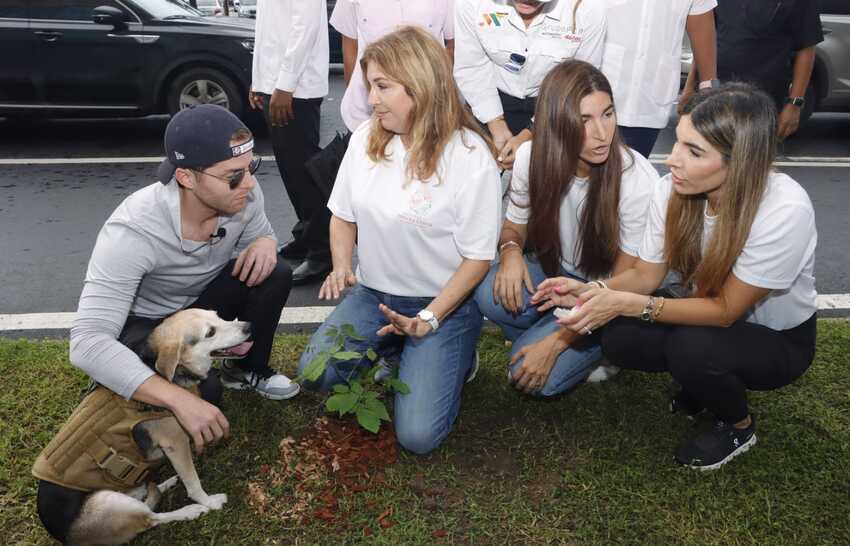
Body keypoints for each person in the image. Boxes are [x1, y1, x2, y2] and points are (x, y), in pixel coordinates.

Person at [535, 84, 818, 470]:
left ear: (740, 162)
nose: (672, 160)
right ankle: (701, 385)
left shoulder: (784, 210)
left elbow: (725, 311)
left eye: (693, 151)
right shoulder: (671, 189)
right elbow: (646, 275)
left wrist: (631, 304)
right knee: (620, 336)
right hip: (705, 311)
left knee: (692, 348)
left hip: (778, 339)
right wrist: (594, 290)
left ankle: (738, 426)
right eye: (678, 142)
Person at [297, 26, 502, 455]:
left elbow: (478, 259)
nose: (371, 99)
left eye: (382, 86)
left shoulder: (469, 157)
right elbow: (342, 215)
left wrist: (429, 318)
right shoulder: (365, 138)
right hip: (374, 295)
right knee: (316, 374)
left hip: (442, 304)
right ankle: (394, 345)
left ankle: (455, 353)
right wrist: (342, 266)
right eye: (370, 85)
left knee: (418, 438)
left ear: (420, 85)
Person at [70, 105, 299, 456]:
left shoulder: (245, 197)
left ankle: (246, 369)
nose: (250, 183)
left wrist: (266, 241)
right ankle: (121, 378)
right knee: (203, 395)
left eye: (251, 167)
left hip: (199, 306)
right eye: (233, 175)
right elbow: (87, 341)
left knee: (276, 271)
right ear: (187, 178)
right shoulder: (132, 230)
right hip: (148, 322)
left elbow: (261, 234)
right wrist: (178, 398)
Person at [474, 60, 658, 396]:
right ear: (557, 122)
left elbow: (623, 284)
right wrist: (511, 252)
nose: (602, 133)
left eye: (607, 114)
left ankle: (601, 343)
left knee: (532, 376)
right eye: (584, 120)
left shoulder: (636, 179)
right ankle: (556, 328)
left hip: (607, 291)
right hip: (558, 276)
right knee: (488, 290)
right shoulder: (531, 157)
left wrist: (557, 342)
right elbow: (513, 227)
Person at [454, 0, 606, 169]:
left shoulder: (588, 10)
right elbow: (472, 66)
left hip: (555, 106)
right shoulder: (473, 4)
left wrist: (530, 133)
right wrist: (495, 122)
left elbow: (578, 82)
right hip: (487, 98)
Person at [250, 0, 331, 284]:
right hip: (275, 85)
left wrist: (285, 84)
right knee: (290, 169)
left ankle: (323, 250)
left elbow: (304, 27)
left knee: (305, 173)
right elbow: (268, 29)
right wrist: (259, 80)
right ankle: (307, 236)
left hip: (296, 88)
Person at [685, 0, 824, 140]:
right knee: (706, 150)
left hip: (762, 105)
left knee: (751, 152)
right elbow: (705, 39)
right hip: (714, 96)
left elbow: (806, 48)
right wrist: (689, 87)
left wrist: (795, 104)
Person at [601, 0, 717, 158]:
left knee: (635, 169)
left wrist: (708, 89)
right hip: (596, 92)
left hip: (649, 100)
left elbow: (702, 24)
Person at [330, 0, 455, 134]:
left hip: (428, 111)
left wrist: (438, 91)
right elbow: (350, 49)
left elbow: (453, 47)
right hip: (366, 114)